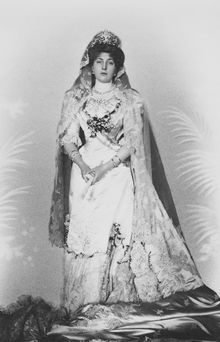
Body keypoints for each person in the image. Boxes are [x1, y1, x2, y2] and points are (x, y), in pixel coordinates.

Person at [49, 30, 203, 313]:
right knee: (87, 238)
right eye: (99, 61)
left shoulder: (130, 99)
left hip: (116, 174)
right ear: (90, 64)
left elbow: (132, 143)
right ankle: (81, 304)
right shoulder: (75, 98)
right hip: (83, 179)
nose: (104, 67)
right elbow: (68, 137)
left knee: (117, 234)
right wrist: (83, 166)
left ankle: (113, 302)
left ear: (118, 66)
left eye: (110, 62)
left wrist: (104, 167)